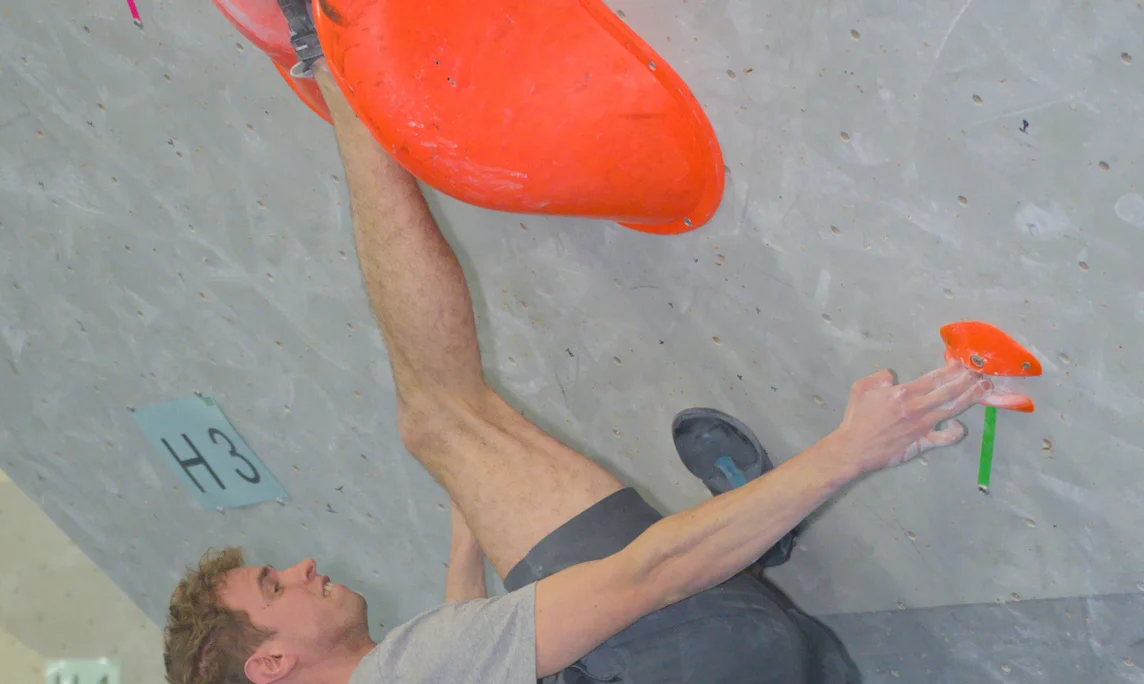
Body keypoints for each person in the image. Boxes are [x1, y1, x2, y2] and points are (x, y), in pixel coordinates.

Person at [162, 21, 1025, 684]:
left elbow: (473, 648)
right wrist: (851, 450)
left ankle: (743, 537)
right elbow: (652, 575)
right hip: (712, 647)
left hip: (773, 663)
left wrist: (471, 531)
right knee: (439, 418)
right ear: (269, 667)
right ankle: (330, 46)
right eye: (275, 588)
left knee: (454, 449)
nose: (301, 565)